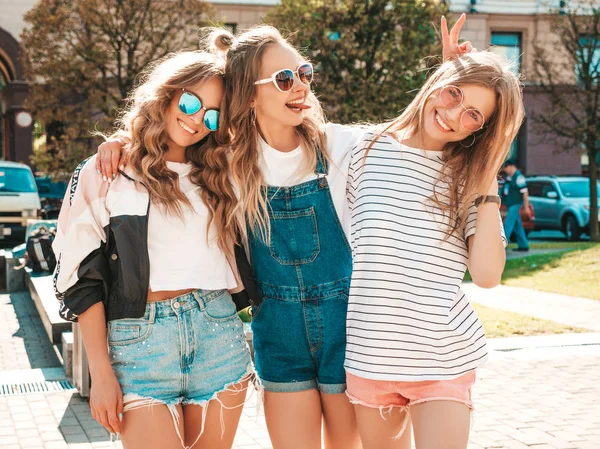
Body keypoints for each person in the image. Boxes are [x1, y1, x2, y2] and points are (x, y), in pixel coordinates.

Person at [93, 17, 471, 449]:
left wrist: (450, 78)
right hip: (279, 333)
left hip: (347, 329)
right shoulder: (226, 161)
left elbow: (414, 134)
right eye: (285, 78)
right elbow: (170, 141)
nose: (300, 86)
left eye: (304, 74)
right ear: (249, 94)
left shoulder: (338, 146)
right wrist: (121, 141)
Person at [53, 51, 253, 449]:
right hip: (138, 345)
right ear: (167, 93)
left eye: (212, 114)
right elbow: (81, 279)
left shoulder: (225, 171)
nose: (197, 120)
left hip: (218, 336)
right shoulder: (107, 171)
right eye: (192, 102)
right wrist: (101, 373)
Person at [344, 51, 524, 449]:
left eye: (474, 115)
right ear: (437, 80)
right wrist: (451, 80)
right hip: (370, 355)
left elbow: (488, 276)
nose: (455, 113)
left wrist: (488, 179)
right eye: (454, 94)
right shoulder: (361, 148)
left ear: (481, 130)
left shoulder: (468, 179)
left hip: (443, 358)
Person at [501, 159, 530, 251]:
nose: (504, 170)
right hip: (510, 204)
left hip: (515, 204)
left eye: (505, 167)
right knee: (517, 226)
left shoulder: (519, 177)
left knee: (507, 224)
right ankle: (523, 245)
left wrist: (526, 207)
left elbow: (525, 193)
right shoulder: (509, 177)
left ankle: (501, 247)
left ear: (511, 166)